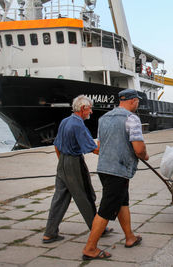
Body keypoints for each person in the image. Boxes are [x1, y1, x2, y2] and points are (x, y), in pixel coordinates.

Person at [82, 89, 149, 260]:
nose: (138, 104)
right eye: (138, 101)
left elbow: (99, 145)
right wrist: (144, 155)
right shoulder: (132, 119)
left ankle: (130, 237)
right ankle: (90, 249)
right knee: (106, 209)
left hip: (104, 168)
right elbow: (139, 148)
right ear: (133, 101)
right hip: (118, 171)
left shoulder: (103, 118)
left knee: (122, 202)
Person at [42, 95, 112, 243]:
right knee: (86, 195)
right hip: (74, 163)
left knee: (59, 198)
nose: (91, 112)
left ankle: (49, 233)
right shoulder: (78, 125)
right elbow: (94, 149)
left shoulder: (65, 121)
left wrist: (63, 164)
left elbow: (56, 145)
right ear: (82, 109)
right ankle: (98, 229)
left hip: (62, 162)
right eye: (90, 109)